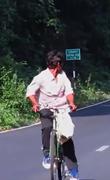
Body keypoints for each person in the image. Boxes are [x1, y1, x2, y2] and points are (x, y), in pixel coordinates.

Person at [26, 50, 79, 180]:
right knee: (47, 127)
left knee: (66, 137)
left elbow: (68, 91)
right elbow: (30, 92)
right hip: (46, 108)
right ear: (58, 64)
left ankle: (73, 170)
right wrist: (34, 104)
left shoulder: (63, 76)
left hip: (61, 109)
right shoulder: (41, 77)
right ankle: (47, 154)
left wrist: (71, 103)